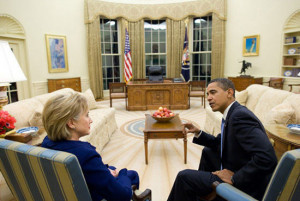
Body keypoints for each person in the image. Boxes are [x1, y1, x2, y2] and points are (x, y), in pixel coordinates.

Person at [167, 78, 277, 201]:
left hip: (247, 184)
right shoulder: (231, 113)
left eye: (213, 92)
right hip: (236, 165)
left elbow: (267, 157)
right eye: (208, 94)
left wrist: (235, 178)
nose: (208, 98)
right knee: (208, 151)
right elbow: (221, 142)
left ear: (229, 93)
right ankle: (204, 193)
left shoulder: (239, 116)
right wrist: (198, 132)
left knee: (184, 177)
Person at [41, 93, 139, 201]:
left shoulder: (46, 142)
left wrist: (105, 170)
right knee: (132, 175)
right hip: (92, 195)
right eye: (87, 115)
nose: (91, 120)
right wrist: (123, 173)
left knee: (111, 170)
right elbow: (122, 196)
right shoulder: (86, 156)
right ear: (71, 123)